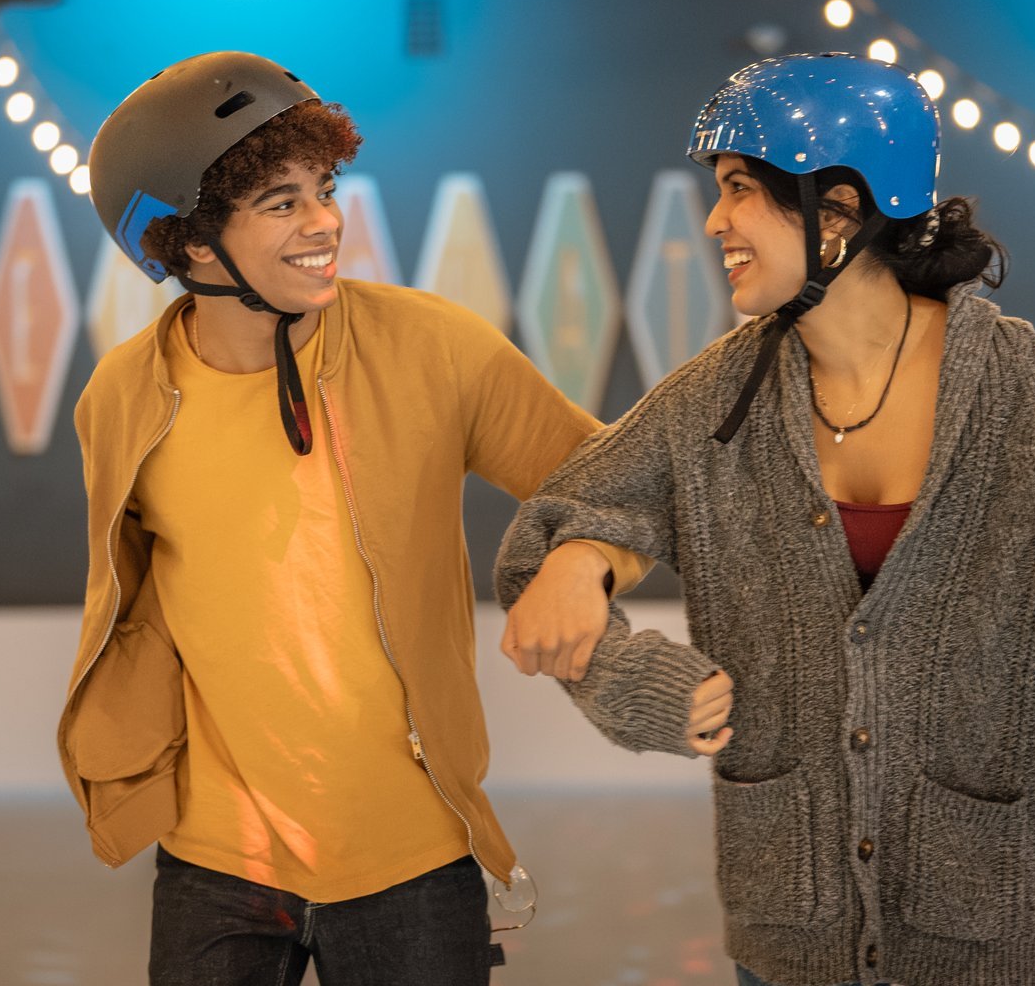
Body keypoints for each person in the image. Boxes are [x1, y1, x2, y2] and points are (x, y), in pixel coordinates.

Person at [495, 52, 1035, 986]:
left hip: (988, 933)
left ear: (838, 210)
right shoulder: (710, 402)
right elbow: (549, 541)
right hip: (789, 937)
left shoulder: (1030, 399)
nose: (714, 221)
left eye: (738, 192)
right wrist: (615, 652)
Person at [57, 50, 646, 986]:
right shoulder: (122, 398)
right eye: (281, 203)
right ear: (194, 240)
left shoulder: (432, 347)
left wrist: (582, 564)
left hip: (410, 855)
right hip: (216, 857)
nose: (326, 222)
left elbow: (620, 481)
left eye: (324, 189)